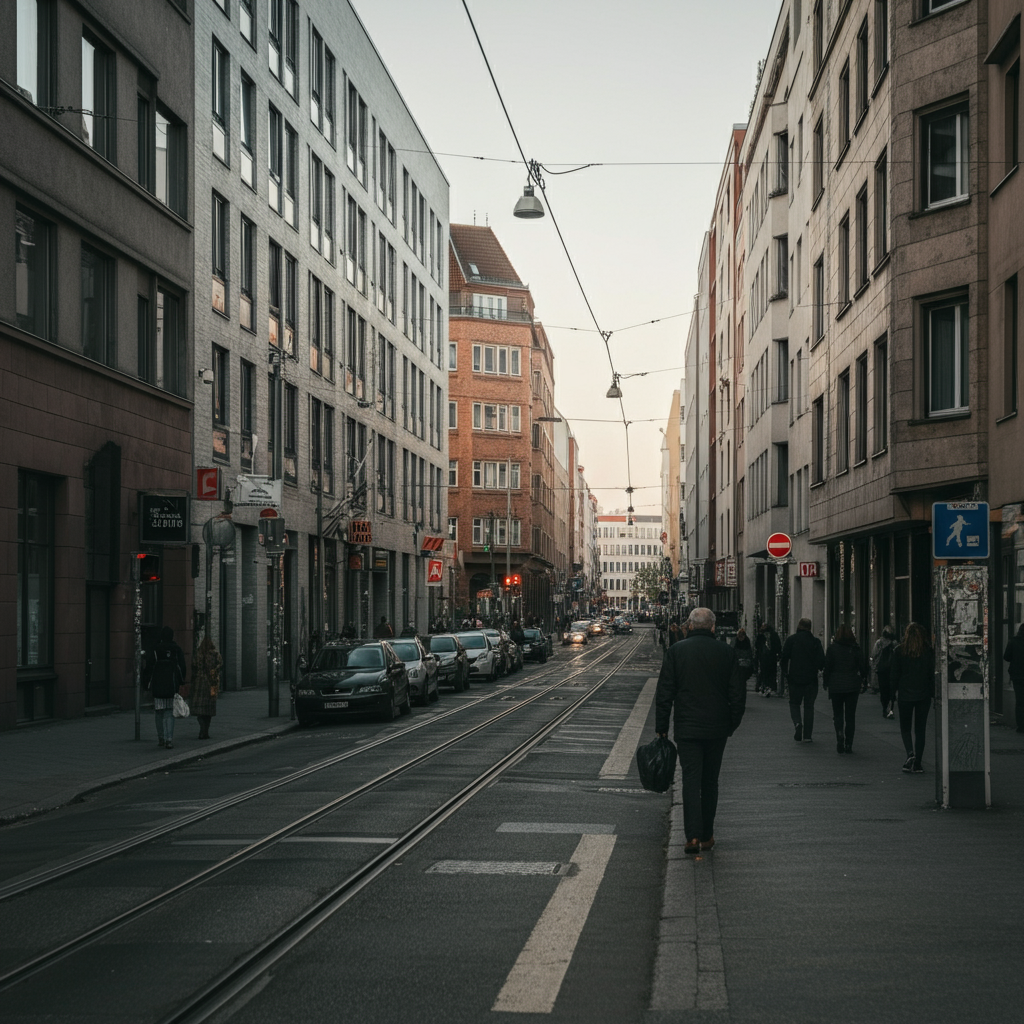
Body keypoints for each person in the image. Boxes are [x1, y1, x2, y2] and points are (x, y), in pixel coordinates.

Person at [655, 607, 747, 855]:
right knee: (710, 782)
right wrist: (731, 723)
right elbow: (737, 694)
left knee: (691, 780)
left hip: (687, 728)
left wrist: (662, 728)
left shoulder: (676, 651)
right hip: (717, 728)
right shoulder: (726, 652)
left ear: (690, 626)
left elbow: (665, 693)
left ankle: (692, 837)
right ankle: (707, 835)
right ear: (713, 627)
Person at [891, 622, 936, 772]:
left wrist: (893, 692)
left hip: (905, 694)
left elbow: (895, 675)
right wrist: (933, 693)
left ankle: (910, 753)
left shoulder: (899, 651)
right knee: (920, 729)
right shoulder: (928, 651)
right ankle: (918, 762)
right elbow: (932, 674)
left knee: (905, 727)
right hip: (923, 695)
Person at [780, 618, 826, 743]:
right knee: (809, 707)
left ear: (799, 626)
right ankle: (807, 735)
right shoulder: (815, 642)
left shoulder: (791, 640)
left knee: (794, 703)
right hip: (811, 679)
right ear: (810, 628)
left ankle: (797, 723)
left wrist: (786, 674)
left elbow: (784, 658)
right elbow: (821, 661)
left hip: (794, 678)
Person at [823, 622, 866, 753]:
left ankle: (839, 735)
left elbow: (827, 667)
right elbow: (863, 666)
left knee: (837, 713)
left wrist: (826, 682)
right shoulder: (855, 648)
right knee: (850, 715)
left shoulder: (832, 648)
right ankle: (849, 743)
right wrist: (863, 679)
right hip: (852, 685)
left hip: (836, 685)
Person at [144, 626, 187, 750]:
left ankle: (161, 738)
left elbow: (149, 667)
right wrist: (181, 681)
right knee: (169, 712)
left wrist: (146, 684)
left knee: (159, 712)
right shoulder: (176, 649)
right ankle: (169, 739)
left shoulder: (156, 649)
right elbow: (182, 667)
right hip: (171, 685)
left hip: (158, 684)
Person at [191, 636, 221, 740]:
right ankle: (206, 731)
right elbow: (220, 666)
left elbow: (193, 666)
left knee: (200, 710)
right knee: (209, 710)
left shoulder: (198, 654)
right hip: (211, 684)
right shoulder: (215, 654)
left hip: (199, 684)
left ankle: (202, 729)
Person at [870, 626, 897, 717]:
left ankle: (885, 707)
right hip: (892, 670)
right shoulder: (894, 644)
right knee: (891, 689)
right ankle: (890, 708)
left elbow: (874, 655)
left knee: (883, 690)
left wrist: (874, 666)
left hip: (881, 670)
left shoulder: (879, 643)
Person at [1003, 623, 1024, 733]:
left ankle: (1021, 726)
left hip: (1018, 676)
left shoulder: (1014, 641)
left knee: (1020, 701)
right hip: (1018, 675)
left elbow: (1006, 657)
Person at [755, 622, 782, 696]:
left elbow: (757, 646)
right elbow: (778, 646)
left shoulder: (761, 635)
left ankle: (763, 686)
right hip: (771, 657)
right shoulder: (773, 635)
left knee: (763, 672)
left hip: (764, 657)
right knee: (771, 672)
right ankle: (770, 687)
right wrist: (779, 654)